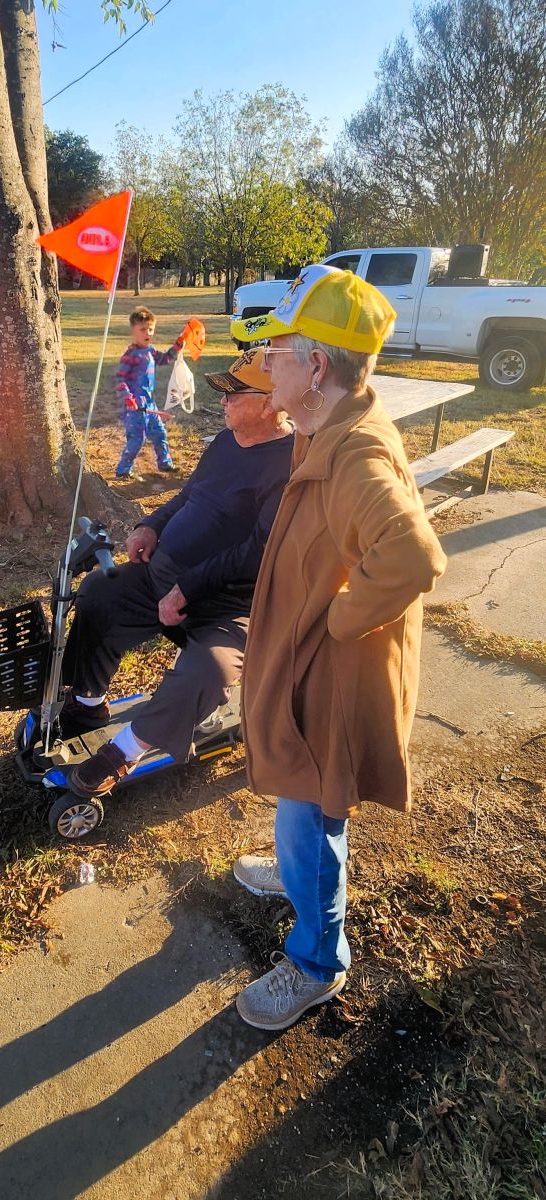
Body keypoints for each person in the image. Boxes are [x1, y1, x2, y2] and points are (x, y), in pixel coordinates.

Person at [229, 264, 447, 1031]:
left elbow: (413, 557)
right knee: (301, 801)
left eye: (279, 355)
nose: (265, 367)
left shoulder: (355, 454)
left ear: (316, 367)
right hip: (310, 663)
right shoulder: (326, 420)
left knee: (311, 810)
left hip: (334, 676)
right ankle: (298, 876)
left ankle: (318, 962)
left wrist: (341, 620)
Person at [55, 346, 295, 799]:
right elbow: (190, 495)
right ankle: (88, 705)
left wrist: (188, 587)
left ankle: (124, 751)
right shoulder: (227, 441)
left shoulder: (288, 463)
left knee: (209, 668)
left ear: (270, 402)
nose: (223, 402)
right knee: (99, 593)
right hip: (163, 577)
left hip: (228, 606)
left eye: (234, 394)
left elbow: (258, 551)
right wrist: (152, 524)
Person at [115, 306, 188, 479]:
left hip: (149, 404)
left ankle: (165, 463)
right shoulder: (130, 355)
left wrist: (177, 347)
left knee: (159, 433)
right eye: (142, 329)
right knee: (136, 440)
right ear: (133, 331)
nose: (147, 333)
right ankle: (123, 470)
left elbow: (164, 359)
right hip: (134, 408)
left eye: (150, 329)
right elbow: (120, 379)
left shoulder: (150, 351)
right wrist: (128, 399)